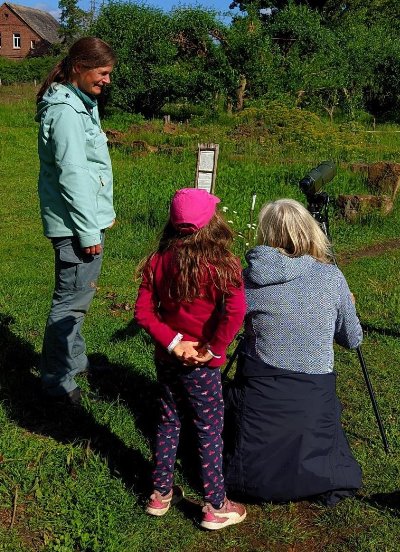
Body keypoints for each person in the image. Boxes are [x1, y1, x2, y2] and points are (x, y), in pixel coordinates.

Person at [223, 198, 363, 505]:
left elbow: (224, 335)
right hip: (312, 398)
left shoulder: (247, 281)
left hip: (262, 400)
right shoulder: (330, 277)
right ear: (310, 231)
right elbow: (352, 339)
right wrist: (346, 305)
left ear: (266, 234)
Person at [134, 188, 247, 530]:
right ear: (212, 222)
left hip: (169, 359)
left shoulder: (158, 261)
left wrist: (173, 342)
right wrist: (213, 348)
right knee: (210, 429)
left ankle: (160, 493)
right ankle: (215, 505)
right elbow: (237, 309)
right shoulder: (223, 264)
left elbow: (143, 312)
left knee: (169, 420)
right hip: (202, 364)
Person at [35, 37, 116, 405]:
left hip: (79, 221)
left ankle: (75, 361)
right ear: (80, 68)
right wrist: (87, 229)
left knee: (78, 298)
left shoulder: (80, 103)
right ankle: (56, 382)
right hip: (74, 226)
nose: (107, 81)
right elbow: (72, 173)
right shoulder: (67, 111)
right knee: (69, 303)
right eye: (102, 73)